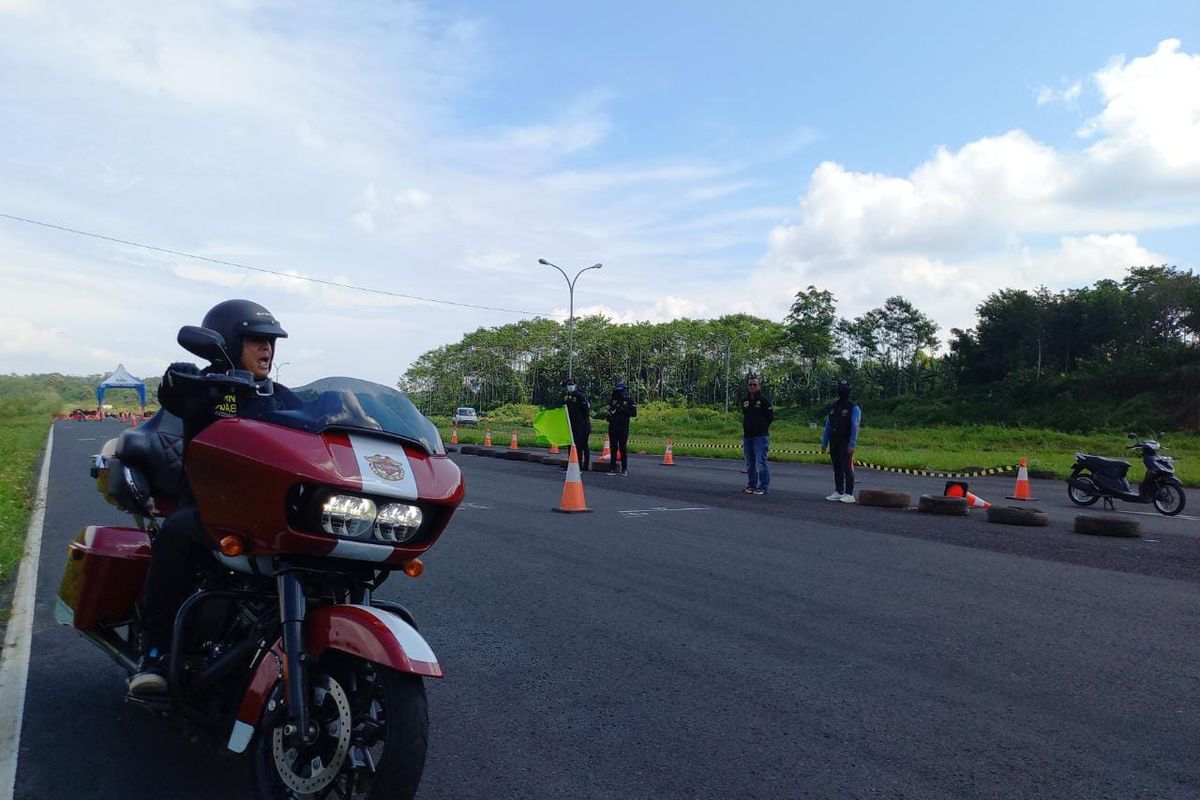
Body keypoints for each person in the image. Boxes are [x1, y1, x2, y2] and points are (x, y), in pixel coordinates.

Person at [130, 299, 302, 695]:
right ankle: (153, 653)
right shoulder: (203, 388)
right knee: (177, 532)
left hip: (270, 514)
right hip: (211, 511)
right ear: (226, 342)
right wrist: (176, 379)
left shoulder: (281, 395)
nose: (267, 350)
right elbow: (174, 397)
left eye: (271, 342)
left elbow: (317, 423)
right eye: (256, 340)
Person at [821, 379, 861, 504]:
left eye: (844, 389)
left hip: (846, 441)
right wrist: (824, 443)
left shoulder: (853, 407)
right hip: (834, 441)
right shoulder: (834, 407)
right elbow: (828, 425)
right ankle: (839, 491)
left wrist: (852, 443)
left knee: (847, 467)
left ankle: (849, 493)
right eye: (840, 388)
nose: (842, 391)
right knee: (837, 467)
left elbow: (855, 426)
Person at [740, 375, 774, 495]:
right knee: (749, 462)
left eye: (755, 384)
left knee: (761, 461)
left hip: (760, 436)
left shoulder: (764, 401)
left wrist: (761, 426)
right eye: (750, 384)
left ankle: (763, 486)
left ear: (759, 386)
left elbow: (770, 417)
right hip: (748, 435)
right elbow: (745, 414)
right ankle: (751, 485)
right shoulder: (745, 401)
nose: (752, 386)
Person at [604, 380, 637, 476]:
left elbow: (633, 413)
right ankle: (612, 468)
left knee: (622, 447)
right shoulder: (612, 401)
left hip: (623, 427)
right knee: (613, 447)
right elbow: (608, 413)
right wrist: (610, 413)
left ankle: (624, 468)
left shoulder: (629, 401)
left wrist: (622, 409)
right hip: (613, 427)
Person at [563, 378, 592, 471]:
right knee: (571, 444)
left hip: (583, 425)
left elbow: (586, 411)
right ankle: (572, 463)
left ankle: (583, 465)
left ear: (575, 385)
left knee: (582, 445)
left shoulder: (580, 396)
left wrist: (580, 421)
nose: (570, 386)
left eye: (571, 385)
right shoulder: (566, 397)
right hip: (572, 425)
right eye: (568, 385)